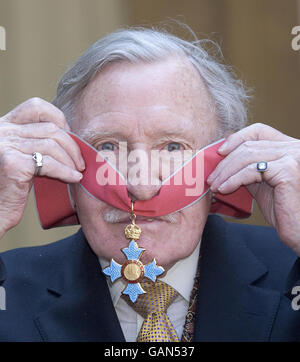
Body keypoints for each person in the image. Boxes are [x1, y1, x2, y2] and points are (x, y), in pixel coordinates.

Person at [0, 25, 300, 342]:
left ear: (229, 159)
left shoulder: (291, 273)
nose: (140, 186)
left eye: (172, 147)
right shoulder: (9, 294)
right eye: (107, 147)